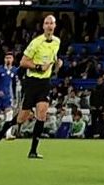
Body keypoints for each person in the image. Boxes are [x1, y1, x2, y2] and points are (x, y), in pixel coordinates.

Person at [8, 14, 64, 156]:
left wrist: (57, 65)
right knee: (23, 117)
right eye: (47, 23)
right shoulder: (36, 42)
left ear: (55, 26)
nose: (49, 26)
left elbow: (53, 60)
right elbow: (23, 62)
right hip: (32, 81)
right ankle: (7, 126)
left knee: (42, 113)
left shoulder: (57, 41)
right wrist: (39, 67)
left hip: (45, 83)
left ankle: (33, 150)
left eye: (52, 23)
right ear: (43, 26)